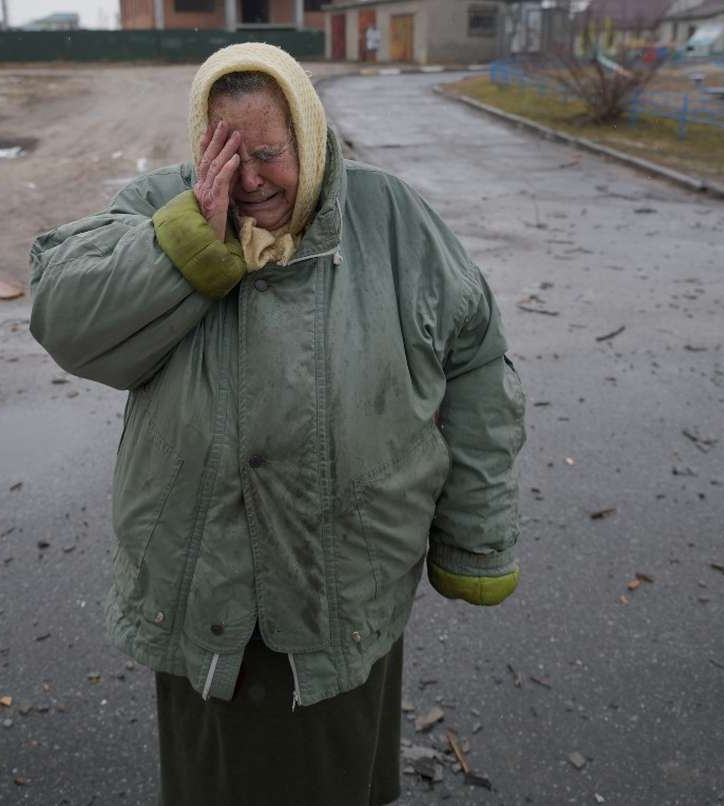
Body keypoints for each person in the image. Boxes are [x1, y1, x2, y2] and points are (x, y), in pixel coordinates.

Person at [29, 43, 526, 806]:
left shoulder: (392, 219)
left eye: (267, 152)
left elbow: (478, 368)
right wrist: (194, 240)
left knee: (339, 768)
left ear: (311, 139)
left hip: (345, 589)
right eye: (226, 151)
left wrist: (475, 535)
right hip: (203, 588)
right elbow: (64, 317)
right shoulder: (160, 209)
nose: (250, 178)